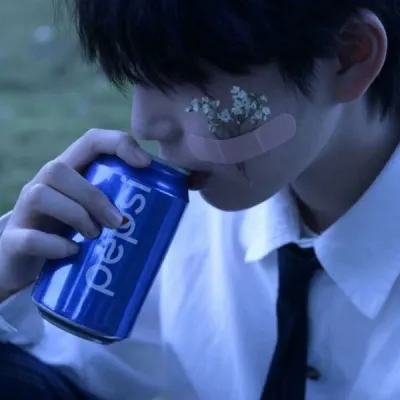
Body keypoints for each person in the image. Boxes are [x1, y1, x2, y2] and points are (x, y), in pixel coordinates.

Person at [1, 0, 400, 399]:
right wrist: (9, 282)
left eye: (185, 75)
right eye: (139, 75)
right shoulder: (170, 223)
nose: (144, 123)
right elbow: (67, 373)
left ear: (349, 55)